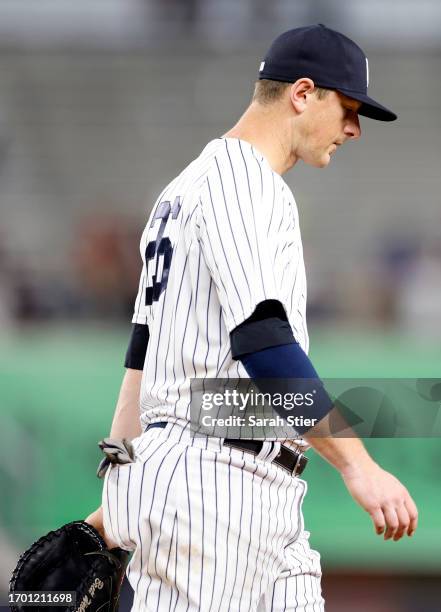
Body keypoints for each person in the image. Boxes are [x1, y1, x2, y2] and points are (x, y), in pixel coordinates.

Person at [86, 24, 418, 611]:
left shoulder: (181, 191)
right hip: (211, 485)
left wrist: (115, 494)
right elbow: (263, 342)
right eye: (348, 108)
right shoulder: (242, 181)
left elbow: (143, 358)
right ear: (303, 93)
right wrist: (358, 465)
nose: (354, 128)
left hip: (253, 483)